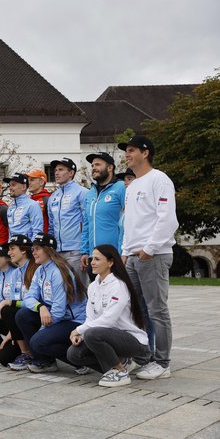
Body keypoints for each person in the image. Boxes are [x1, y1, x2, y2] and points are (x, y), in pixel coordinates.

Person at [119, 135, 178, 380]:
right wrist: (124, 252)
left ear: (145, 153)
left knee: (157, 310)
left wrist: (150, 248)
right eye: (126, 151)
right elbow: (130, 223)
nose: (127, 154)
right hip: (132, 256)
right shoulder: (132, 186)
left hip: (153, 255)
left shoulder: (159, 179)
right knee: (134, 310)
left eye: (131, 150)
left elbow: (167, 219)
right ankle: (142, 357)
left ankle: (162, 362)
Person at [67, 245, 151, 387]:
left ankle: (119, 371)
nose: (92, 262)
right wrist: (81, 335)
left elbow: (108, 320)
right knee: (73, 354)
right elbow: (91, 318)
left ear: (111, 262)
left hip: (132, 340)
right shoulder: (93, 286)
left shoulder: (119, 285)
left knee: (92, 334)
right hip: (106, 335)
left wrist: (79, 330)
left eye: (97, 259)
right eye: (92, 258)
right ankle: (118, 364)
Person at [14, 233, 87, 373]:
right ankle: (45, 361)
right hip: (55, 316)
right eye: (32, 249)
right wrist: (40, 307)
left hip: (74, 320)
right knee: (23, 315)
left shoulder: (59, 272)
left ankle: (80, 360)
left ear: (48, 250)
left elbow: (58, 312)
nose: (33, 252)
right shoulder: (41, 269)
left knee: (37, 341)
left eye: (37, 249)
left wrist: (41, 331)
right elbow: (29, 298)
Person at [80, 152, 125, 279]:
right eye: (92, 165)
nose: (94, 167)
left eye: (98, 164)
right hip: (93, 257)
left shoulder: (121, 187)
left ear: (110, 168)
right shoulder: (91, 193)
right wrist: (84, 251)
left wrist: (123, 252)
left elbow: (128, 220)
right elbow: (87, 223)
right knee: (96, 296)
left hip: (114, 256)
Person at [0, 235, 40, 369]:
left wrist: (10, 303)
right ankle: (24, 351)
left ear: (23, 250)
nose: (9, 253)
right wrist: (10, 333)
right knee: (3, 358)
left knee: (11, 309)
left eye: (12, 249)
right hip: (19, 320)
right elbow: (12, 300)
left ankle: (27, 353)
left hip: (36, 314)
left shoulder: (35, 268)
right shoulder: (15, 273)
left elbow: (35, 300)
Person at [48, 157, 89, 284]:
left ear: (71, 173)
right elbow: (51, 225)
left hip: (76, 251)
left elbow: (87, 222)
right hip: (58, 252)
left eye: (61, 169)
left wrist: (85, 250)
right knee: (64, 289)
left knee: (79, 289)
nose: (56, 173)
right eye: (55, 170)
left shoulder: (82, 192)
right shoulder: (53, 197)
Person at [4, 173, 43, 240]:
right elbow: (10, 231)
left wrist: (32, 248)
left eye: (13, 185)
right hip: (13, 247)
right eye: (9, 185)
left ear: (24, 187)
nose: (10, 188)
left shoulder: (33, 205)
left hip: (26, 247)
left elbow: (37, 231)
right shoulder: (10, 206)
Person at [27, 169, 50, 233]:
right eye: (28, 180)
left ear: (41, 182)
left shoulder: (48, 199)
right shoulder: (29, 200)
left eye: (32, 180)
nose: (28, 183)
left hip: (43, 240)